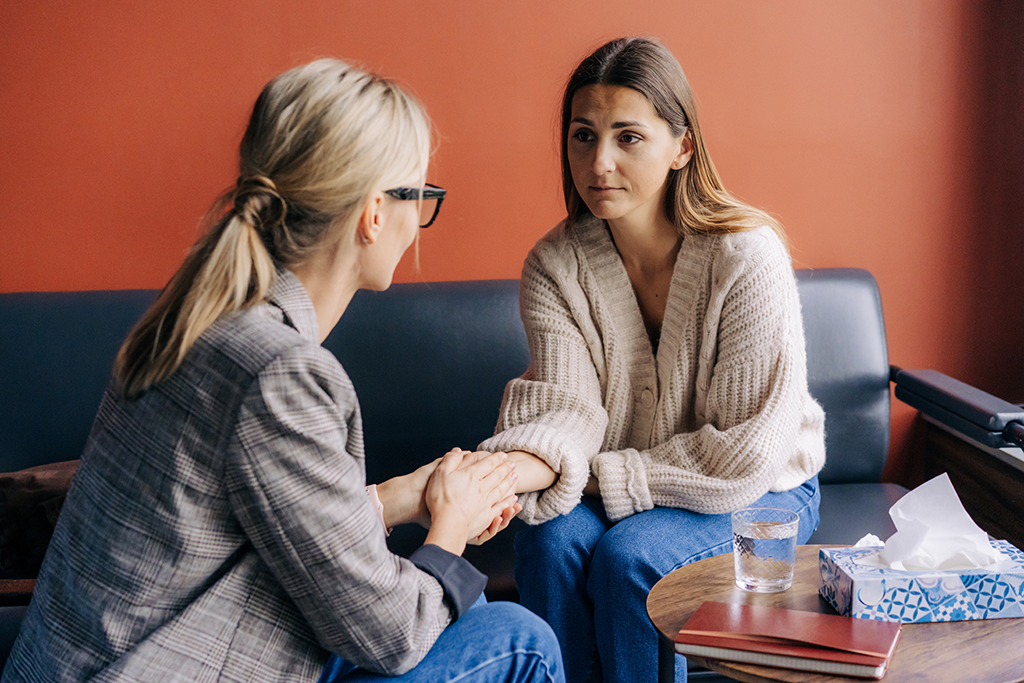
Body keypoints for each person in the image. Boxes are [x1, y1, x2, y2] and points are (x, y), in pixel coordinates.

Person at [1, 59, 564, 683]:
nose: (420, 218)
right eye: (422, 196)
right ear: (375, 213)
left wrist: (398, 498)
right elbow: (392, 634)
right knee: (520, 639)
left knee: (466, 607)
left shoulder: (192, 319)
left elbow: (246, 529)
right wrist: (452, 524)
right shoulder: (281, 374)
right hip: (162, 664)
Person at [479, 37, 826, 683]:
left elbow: (744, 455)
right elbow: (566, 410)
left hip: (759, 490)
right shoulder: (555, 265)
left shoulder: (746, 256)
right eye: (583, 136)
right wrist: (512, 472)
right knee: (549, 541)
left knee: (630, 556)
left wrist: (588, 476)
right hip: (624, 481)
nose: (599, 161)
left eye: (628, 137)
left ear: (683, 147)